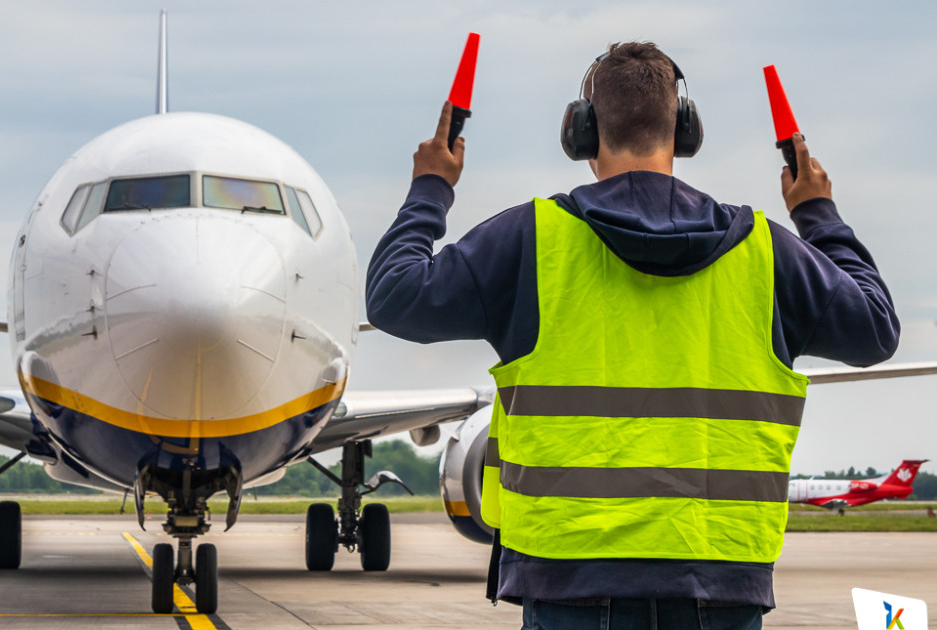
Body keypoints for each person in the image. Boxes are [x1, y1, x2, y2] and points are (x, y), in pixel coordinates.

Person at [365, 42, 899, 629]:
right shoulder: (766, 252)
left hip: (569, 581)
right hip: (721, 584)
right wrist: (818, 212)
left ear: (582, 133)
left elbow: (394, 296)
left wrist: (431, 188)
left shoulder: (531, 240)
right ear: (686, 129)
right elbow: (876, 329)